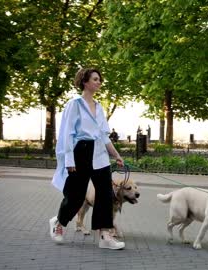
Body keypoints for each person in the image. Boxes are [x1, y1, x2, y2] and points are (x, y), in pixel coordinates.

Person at [50, 68, 125, 250]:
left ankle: (105, 235)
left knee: (105, 195)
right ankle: (58, 223)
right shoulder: (74, 104)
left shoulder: (99, 107)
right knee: (75, 196)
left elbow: (103, 135)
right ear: (85, 82)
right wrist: (69, 160)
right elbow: (67, 133)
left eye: (99, 79)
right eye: (95, 79)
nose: (99, 82)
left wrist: (116, 155)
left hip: (99, 153)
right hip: (80, 152)